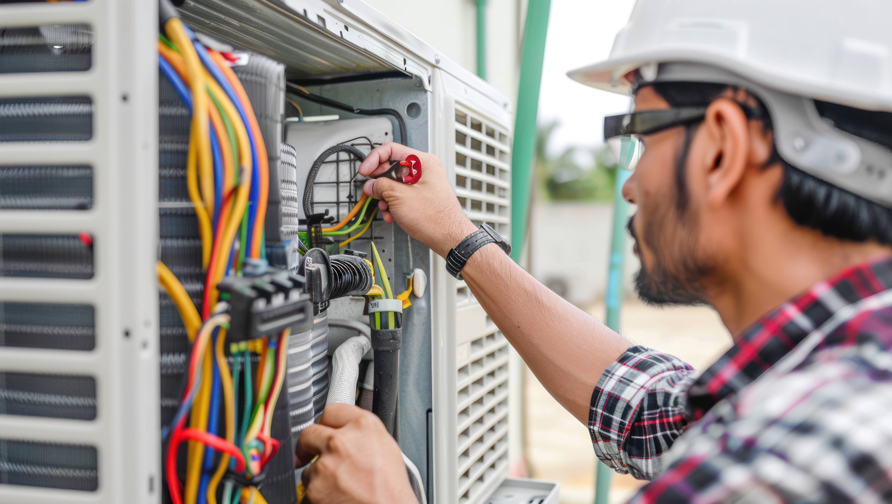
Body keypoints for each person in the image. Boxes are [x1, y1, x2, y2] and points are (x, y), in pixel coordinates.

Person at [294, 1, 892, 502]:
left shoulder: (783, 466)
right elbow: (647, 405)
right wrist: (458, 235)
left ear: (722, 148)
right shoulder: (837, 373)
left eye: (640, 138)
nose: (630, 185)